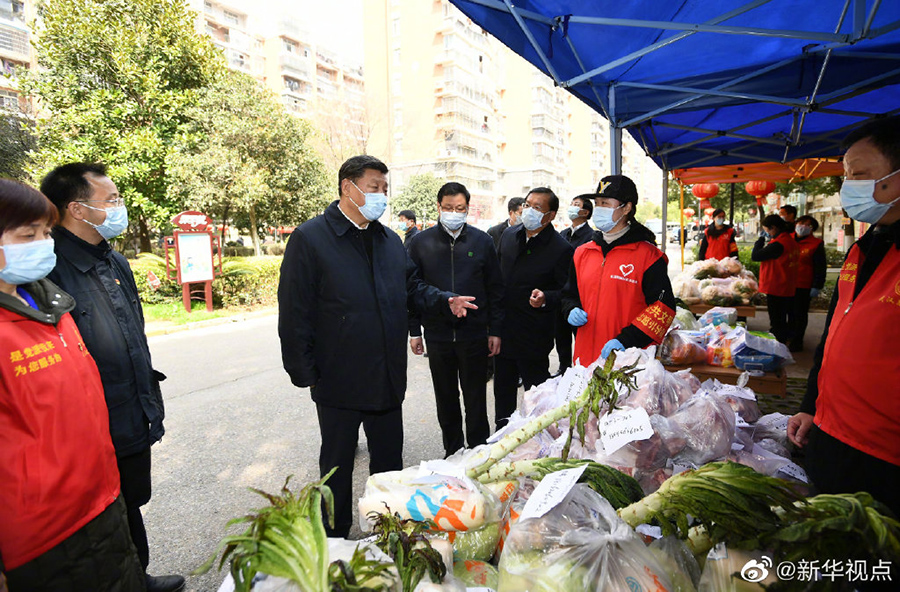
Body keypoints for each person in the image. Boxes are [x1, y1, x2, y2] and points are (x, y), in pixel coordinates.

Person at [278, 155, 476, 538]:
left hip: (386, 373)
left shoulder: (388, 240)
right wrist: (303, 370)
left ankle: (386, 532)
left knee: (388, 463)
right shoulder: (311, 238)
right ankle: (333, 537)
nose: (381, 196)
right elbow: (294, 309)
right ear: (347, 187)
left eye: (385, 188)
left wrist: (444, 300)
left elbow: (411, 287)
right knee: (336, 465)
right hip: (337, 377)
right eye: (374, 187)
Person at [40, 164, 182, 592]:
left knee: (130, 502)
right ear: (76, 209)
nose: (120, 208)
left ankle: (138, 576)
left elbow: (133, 335)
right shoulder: (49, 269)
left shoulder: (114, 259)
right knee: (100, 515)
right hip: (87, 423)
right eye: (112, 200)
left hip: (130, 409)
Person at [0, 179, 145, 591]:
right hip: (41, 537)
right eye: (27, 236)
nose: (44, 245)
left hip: (101, 502)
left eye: (46, 233)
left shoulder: (52, 307)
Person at [788, 115, 900, 519]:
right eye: (847, 176)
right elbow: (832, 339)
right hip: (830, 438)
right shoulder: (863, 249)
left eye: (861, 175)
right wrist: (811, 405)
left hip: (884, 458)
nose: (849, 186)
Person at [407, 182, 504, 457]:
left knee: (475, 398)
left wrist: (495, 330)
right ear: (439, 207)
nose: (453, 213)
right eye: (448, 208)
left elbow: (495, 289)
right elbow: (411, 289)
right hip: (437, 335)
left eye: (459, 208)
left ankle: (478, 453)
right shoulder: (421, 243)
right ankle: (453, 452)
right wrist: (414, 331)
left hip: (474, 334)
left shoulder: (482, 241)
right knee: (445, 398)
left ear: (467, 209)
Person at [562, 175, 676, 365]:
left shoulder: (649, 256)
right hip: (585, 360)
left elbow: (663, 308)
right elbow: (568, 294)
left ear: (626, 208)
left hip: (627, 360)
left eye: (605, 203)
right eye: (597, 203)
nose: (599, 209)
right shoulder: (582, 252)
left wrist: (627, 340)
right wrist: (570, 309)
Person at [494, 188, 573, 429]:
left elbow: (567, 292)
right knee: (503, 394)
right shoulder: (509, 235)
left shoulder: (561, 248)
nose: (529, 211)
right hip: (504, 331)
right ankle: (502, 436)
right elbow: (495, 280)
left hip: (534, 335)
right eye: (527, 205)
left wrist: (546, 297)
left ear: (550, 215)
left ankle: (538, 439)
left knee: (537, 398)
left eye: (537, 207)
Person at [554, 195, 594, 375]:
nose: (571, 207)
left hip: (579, 294)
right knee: (561, 334)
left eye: (576, 205)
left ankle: (582, 370)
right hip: (561, 291)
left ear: (585, 212)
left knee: (580, 335)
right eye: (571, 204)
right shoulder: (563, 234)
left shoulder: (591, 237)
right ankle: (564, 368)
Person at [751, 214, 798, 344]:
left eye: (766, 230)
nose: (766, 233)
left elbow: (755, 256)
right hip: (786, 284)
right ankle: (781, 337)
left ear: (774, 228)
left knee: (777, 319)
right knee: (782, 317)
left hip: (777, 286)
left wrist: (760, 240)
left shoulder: (778, 244)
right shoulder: (790, 241)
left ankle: (778, 343)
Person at [788, 215, 826, 352]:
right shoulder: (787, 239)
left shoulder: (816, 244)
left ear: (812, 229)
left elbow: (820, 267)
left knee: (800, 314)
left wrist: (817, 285)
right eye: (802, 222)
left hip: (803, 285)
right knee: (788, 312)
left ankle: (797, 341)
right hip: (786, 283)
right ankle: (788, 335)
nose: (803, 226)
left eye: (808, 225)